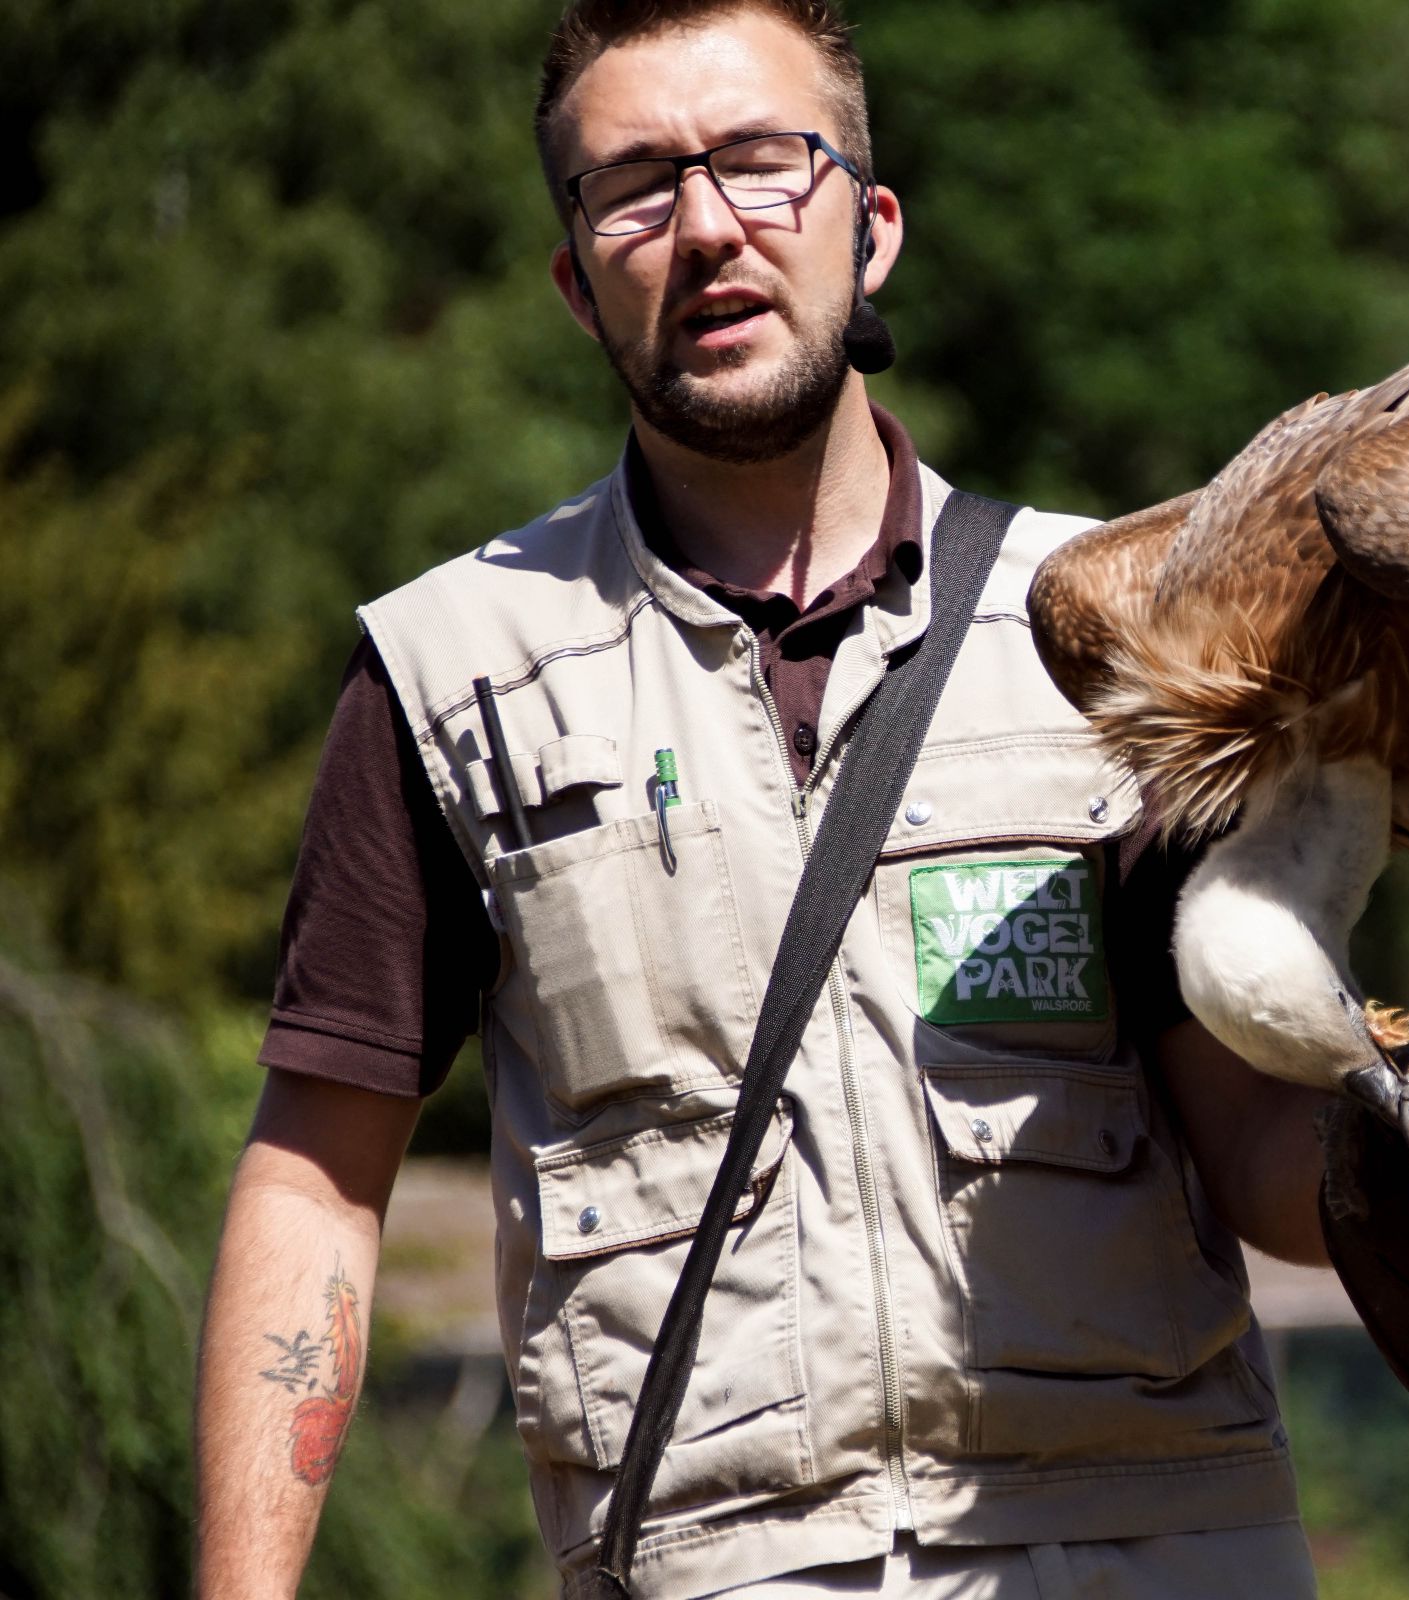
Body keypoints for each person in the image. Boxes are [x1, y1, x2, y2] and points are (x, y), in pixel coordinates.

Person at [191, 3, 1332, 1595]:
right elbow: (314, 1182)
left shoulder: (1123, 636)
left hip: (1158, 1539)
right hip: (725, 1557)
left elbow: (1259, 1143)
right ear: (576, 281)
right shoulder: (455, 675)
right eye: (634, 188)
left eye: (762, 163)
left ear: (873, 228)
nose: (709, 225)